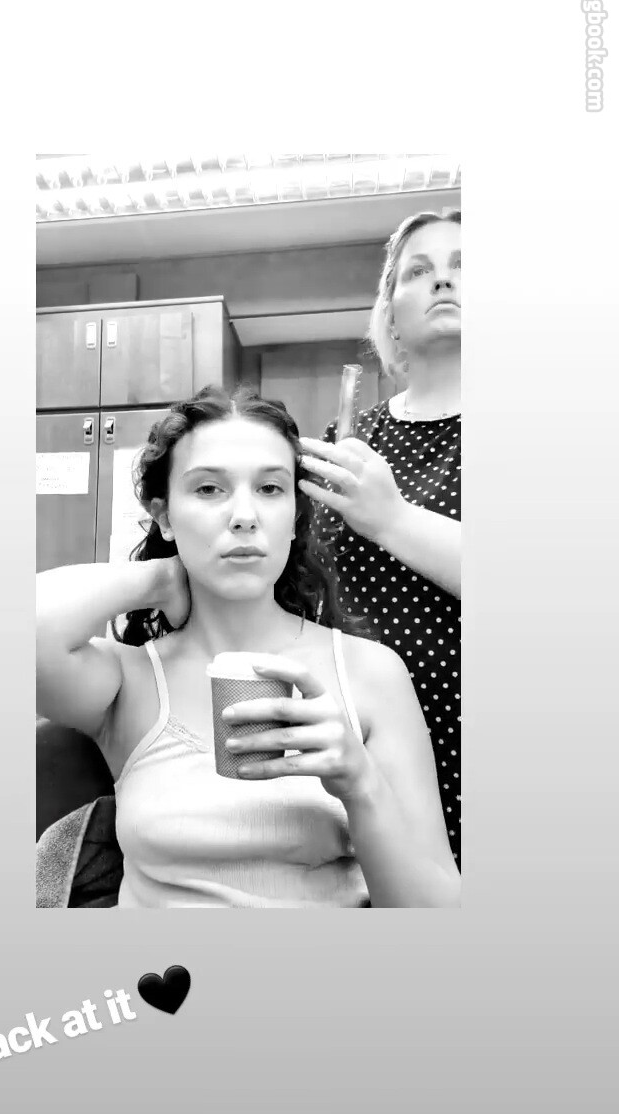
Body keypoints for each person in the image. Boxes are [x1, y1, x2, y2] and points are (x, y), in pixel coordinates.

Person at [36, 385, 460, 908]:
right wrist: (160, 578)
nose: (244, 515)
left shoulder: (372, 673)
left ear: (295, 517)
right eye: (209, 489)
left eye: (270, 488)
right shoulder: (129, 679)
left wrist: (360, 784)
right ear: (164, 515)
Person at [301, 209, 461, 867]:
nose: (443, 281)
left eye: (463, 267)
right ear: (390, 312)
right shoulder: (353, 439)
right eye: (418, 271)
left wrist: (391, 519)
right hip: (357, 743)